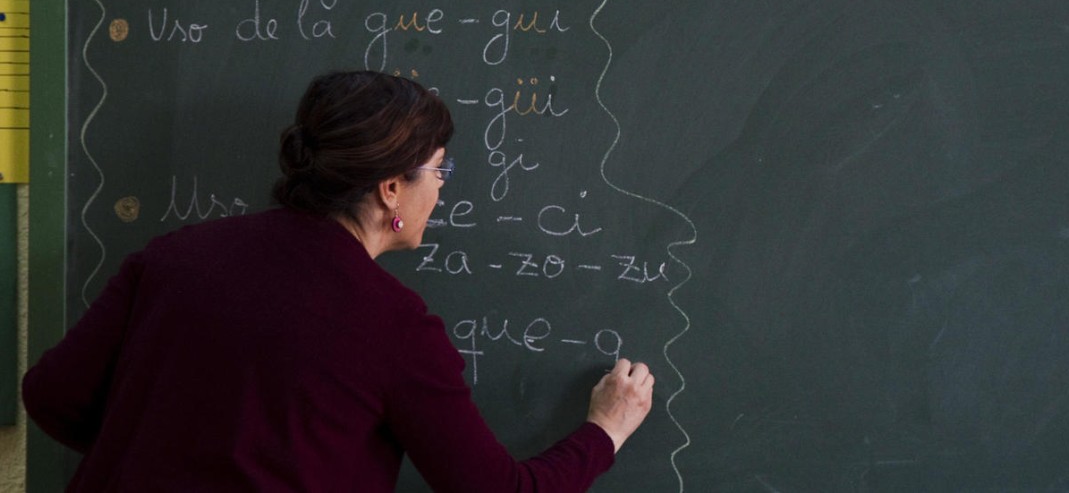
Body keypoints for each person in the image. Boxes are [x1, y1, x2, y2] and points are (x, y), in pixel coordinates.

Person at [24, 70, 653, 491]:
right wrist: (606, 429)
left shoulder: (173, 256)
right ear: (390, 190)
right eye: (439, 171)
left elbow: (51, 394)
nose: (442, 188)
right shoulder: (393, 323)